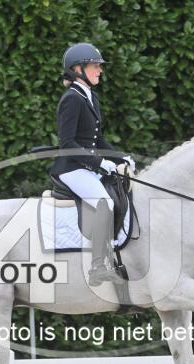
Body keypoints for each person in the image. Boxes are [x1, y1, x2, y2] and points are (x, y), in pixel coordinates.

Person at [49, 42, 135, 286]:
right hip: (71, 168)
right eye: (95, 66)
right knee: (104, 202)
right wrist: (100, 163)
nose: (100, 70)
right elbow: (68, 143)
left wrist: (120, 157)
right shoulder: (71, 99)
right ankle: (98, 266)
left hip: (86, 166)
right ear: (78, 69)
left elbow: (97, 140)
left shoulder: (90, 97)